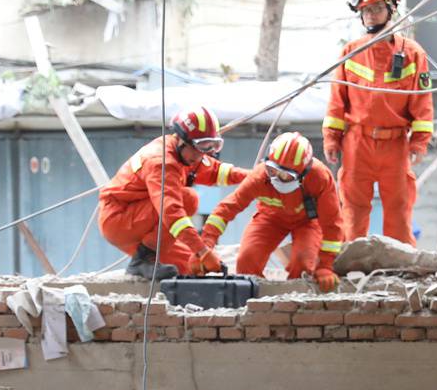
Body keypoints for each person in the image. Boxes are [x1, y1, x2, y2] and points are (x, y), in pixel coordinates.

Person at [321, 0, 435, 244]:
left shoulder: (412, 53)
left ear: (391, 10)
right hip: (356, 144)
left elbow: (422, 102)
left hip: (394, 145)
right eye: (366, 10)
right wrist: (331, 138)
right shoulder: (350, 52)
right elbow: (337, 101)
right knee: (353, 210)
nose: (371, 14)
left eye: (376, 8)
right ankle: (352, 264)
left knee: (399, 209)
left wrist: (419, 142)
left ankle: (400, 264)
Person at [98, 107, 244, 276]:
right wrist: (203, 251)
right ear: (183, 140)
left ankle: (146, 258)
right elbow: (172, 213)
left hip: (144, 223)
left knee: (191, 267)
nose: (204, 153)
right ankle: (143, 260)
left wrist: (256, 175)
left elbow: (216, 172)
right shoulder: (161, 162)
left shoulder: (185, 151)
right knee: (188, 199)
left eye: (211, 145)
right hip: (119, 220)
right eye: (202, 145)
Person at [202, 132, 346, 290]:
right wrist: (205, 246)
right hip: (270, 218)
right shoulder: (260, 176)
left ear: (302, 174)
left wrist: (325, 265)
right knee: (246, 260)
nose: (276, 178)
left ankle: (296, 303)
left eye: (285, 175)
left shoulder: (319, 177)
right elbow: (228, 208)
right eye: (272, 170)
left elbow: (332, 223)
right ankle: (258, 302)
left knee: (303, 262)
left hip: (307, 222)